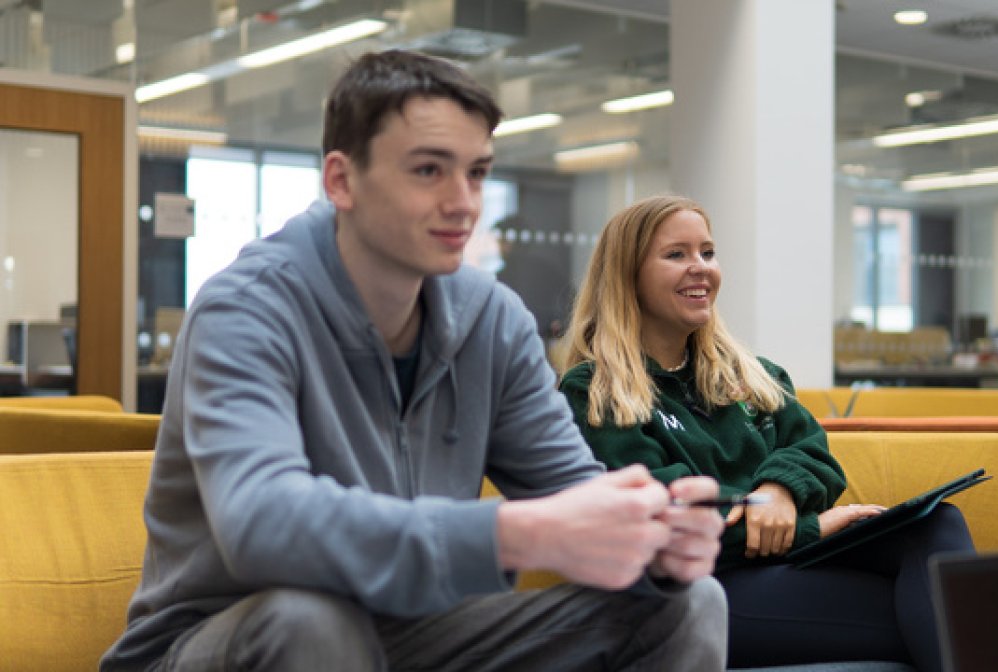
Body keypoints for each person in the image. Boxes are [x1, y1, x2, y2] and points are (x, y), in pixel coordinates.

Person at [101, 51, 728, 672]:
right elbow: (263, 526)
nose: (463, 204)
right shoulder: (245, 309)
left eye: (477, 173)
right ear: (341, 180)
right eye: (429, 171)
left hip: (416, 631)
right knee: (312, 622)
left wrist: (652, 539)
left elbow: (574, 493)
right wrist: (514, 533)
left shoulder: (494, 319)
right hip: (224, 635)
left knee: (687, 603)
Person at [558, 194, 976, 671]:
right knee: (945, 617)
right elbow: (668, 524)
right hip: (697, 590)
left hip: (782, 570)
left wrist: (778, 489)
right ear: (627, 276)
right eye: (676, 255)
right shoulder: (597, 392)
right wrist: (808, 529)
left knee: (936, 525)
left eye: (707, 253)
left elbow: (814, 454)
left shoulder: (754, 375)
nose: (700, 268)